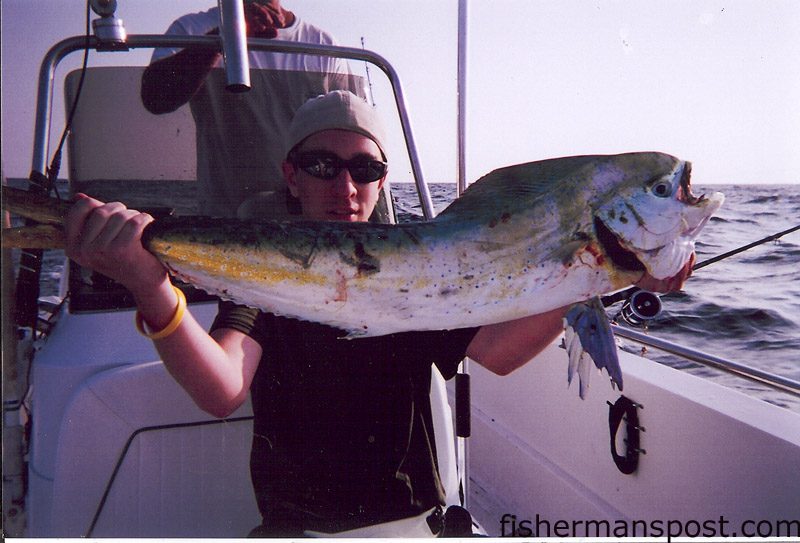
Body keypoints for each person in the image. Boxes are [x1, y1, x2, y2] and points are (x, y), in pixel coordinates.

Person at [64, 91, 693, 537]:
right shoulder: (273, 283)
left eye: (365, 170)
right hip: (297, 531)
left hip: (412, 524)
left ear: (382, 180)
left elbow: (498, 354)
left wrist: (598, 276)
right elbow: (221, 388)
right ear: (291, 175)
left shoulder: (427, 273)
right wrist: (153, 290)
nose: (346, 187)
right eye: (323, 166)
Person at [141, 1, 364, 218]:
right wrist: (223, 37)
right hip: (225, 221)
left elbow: (354, 130)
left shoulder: (322, 43)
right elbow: (155, 98)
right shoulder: (191, 29)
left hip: (307, 220)